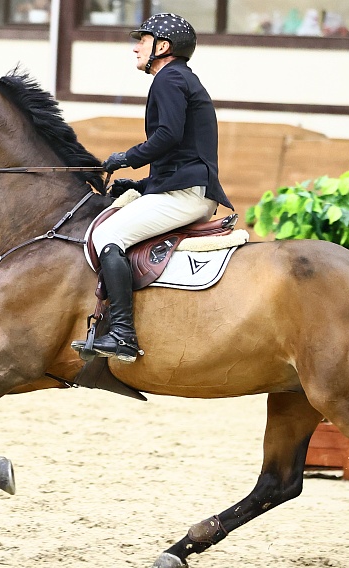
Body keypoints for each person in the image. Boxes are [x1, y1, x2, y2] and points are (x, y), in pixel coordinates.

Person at [76, 13, 233, 363]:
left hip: (187, 195)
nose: (135, 48)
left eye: (142, 41)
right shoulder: (182, 79)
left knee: (107, 238)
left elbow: (168, 136)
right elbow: (183, 154)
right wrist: (142, 183)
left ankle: (123, 336)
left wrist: (125, 157)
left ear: (163, 46)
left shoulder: (169, 78)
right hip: (184, 187)